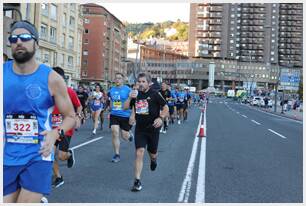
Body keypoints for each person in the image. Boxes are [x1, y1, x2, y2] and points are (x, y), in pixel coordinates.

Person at [3, 20, 76, 203]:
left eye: (25, 37)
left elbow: (71, 117)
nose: (19, 42)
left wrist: (55, 132)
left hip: (38, 154)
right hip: (6, 155)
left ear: (36, 42)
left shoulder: (52, 78)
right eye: (14, 38)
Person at [124, 73, 169, 192]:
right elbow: (125, 107)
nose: (141, 84)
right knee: (139, 152)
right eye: (139, 81)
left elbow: (166, 107)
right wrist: (129, 98)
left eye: (143, 81)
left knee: (152, 153)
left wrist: (161, 118)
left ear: (149, 83)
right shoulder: (135, 94)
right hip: (140, 129)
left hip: (153, 128)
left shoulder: (155, 94)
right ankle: (137, 181)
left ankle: (153, 160)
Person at [51, 67, 82, 188]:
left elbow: (78, 106)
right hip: (51, 128)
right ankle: (58, 177)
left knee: (61, 156)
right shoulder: (46, 91)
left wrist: (78, 116)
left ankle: (68, 154)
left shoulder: (69, 91)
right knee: (49, 155)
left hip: (65, 128)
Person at [107, 72, 133, 163]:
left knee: (125, 137)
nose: (117, 80)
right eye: (116, 78)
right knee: (114, 132)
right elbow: (111, 101)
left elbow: (133, 102)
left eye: (119, 78)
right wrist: (109, 110)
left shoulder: (128, 89)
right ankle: (117, 154)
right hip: (114, 114)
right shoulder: (112, 90)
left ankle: (129, 135)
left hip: (125, 115)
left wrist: (133, 115)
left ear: (123, 80)